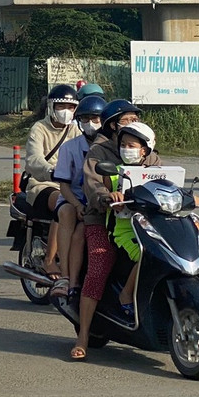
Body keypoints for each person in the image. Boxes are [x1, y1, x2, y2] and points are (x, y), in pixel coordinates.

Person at [71, 98, 143, 359]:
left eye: (136, 120)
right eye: (128, 120)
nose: (134, 124)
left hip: (141, 220)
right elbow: (92, 187)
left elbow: (165, 179)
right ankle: (83, 336)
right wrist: (105, 196)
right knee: (100, 264)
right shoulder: (99, 152)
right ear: (113, 125)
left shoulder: (146, 150)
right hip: (102, 219)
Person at [49, 93, 107, 298]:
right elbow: (63, 184)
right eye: (85, 119)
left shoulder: (112, 148)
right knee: (66, 213)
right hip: (73, 197)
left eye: (95, 119)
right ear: (79, 121)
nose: (90, 124)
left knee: (82, 232)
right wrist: (76, 205)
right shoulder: (70, 148)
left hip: (102, 200)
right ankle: (65, 277)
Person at [106, 120, 161, 320]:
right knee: (147, 256)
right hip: (125, 231)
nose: (126, 149)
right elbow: (106, 193)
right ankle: (126, 295)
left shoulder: (156, 173)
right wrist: (112, 196)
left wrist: (188, 197)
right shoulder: (115, 173)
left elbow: (168, 189)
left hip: (152, 229)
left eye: (132, 146)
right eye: (123, 145)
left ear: (145, 151)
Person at [24, 85, 80, 274]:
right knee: (63, 203)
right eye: (61, 106)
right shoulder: (39, 128)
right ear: (51, 107)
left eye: (70, 107)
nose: (66, 111)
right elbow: (34, 160)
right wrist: (52, 171)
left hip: (72, 184)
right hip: (43, 184)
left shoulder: (76, 130)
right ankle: (49, 259)